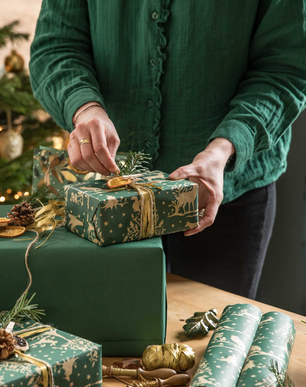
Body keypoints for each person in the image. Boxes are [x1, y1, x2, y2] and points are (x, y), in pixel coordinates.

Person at [29, 1, 306, 299]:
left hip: (223, 190)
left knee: (210, 337)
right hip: (103, 194)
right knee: (106, 331)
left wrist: (223, 148)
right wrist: (85, 108)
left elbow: (285, 68)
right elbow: (56, 45)